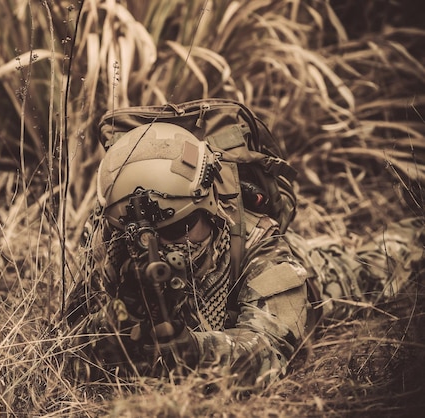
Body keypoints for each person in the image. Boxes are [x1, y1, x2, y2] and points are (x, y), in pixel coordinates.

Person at [64, 122, 424, 385]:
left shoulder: (258, 241)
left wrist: (195, 353)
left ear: (211, 207)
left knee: (382, 262)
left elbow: (273, 350)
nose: (165, 247)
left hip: (317, 274)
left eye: (177, 230)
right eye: (141, 237)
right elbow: (69, 342)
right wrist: (111, 332)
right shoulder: (112, 246)